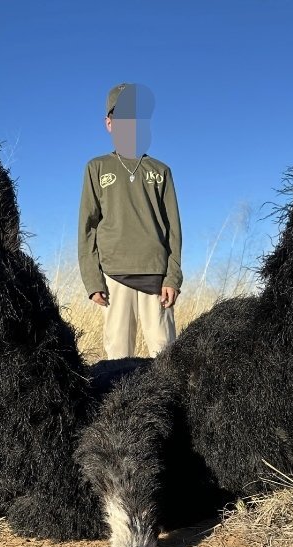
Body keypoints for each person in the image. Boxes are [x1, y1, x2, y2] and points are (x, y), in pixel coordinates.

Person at [78, 83, 182, 359]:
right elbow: (86, 228)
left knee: (166, 360)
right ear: (109, 123)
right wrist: (93, 281)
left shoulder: (160, 171)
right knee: (118, 362)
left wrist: (172, 277)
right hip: (114, 279)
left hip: (157, 281)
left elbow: (173, 231)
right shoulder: (96, 168)